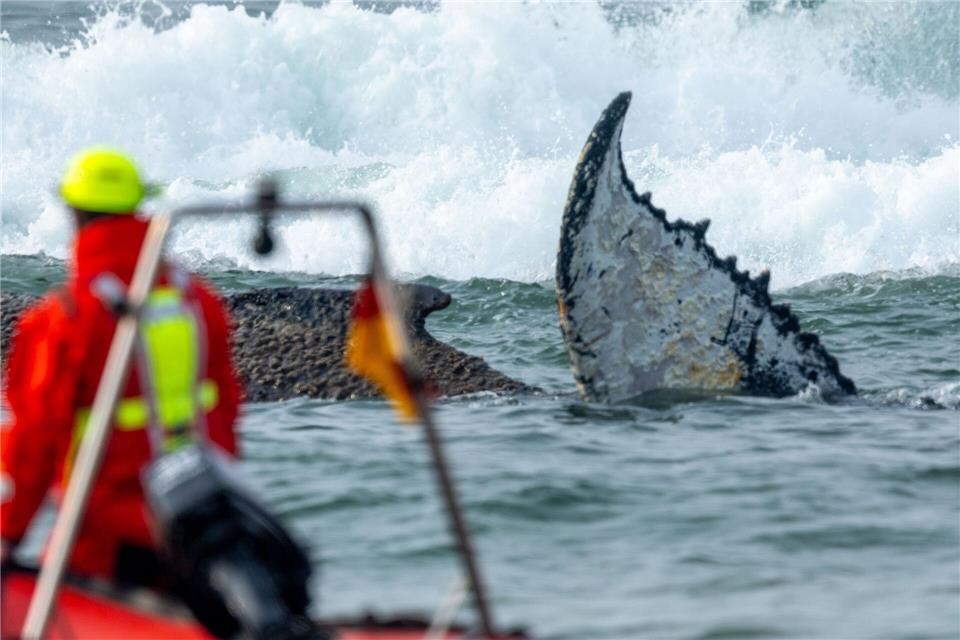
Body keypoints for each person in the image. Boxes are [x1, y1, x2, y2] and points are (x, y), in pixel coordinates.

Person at [0, 148, 242, 586]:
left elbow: (32, 443)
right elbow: (225, 408)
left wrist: (7, 535)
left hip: (105, 539)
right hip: (201, 525)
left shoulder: (65, 318)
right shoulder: (197, 302)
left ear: (74, 214)